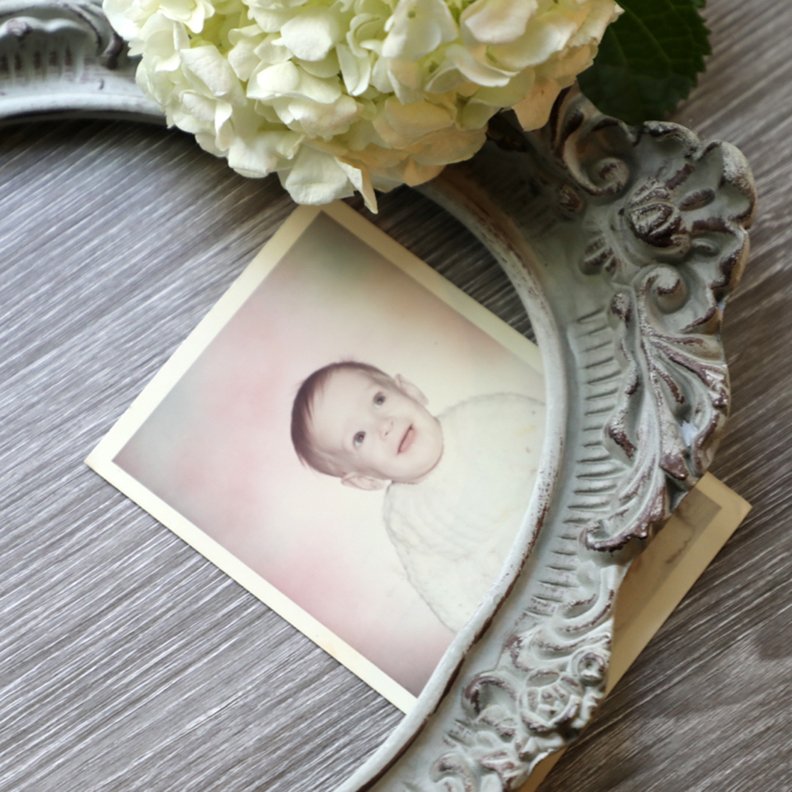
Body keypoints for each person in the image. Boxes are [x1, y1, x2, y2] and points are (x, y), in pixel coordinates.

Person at [290, 361, 545, 632]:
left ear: (410, 391)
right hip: (526, 597)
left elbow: (558, 436)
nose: (383, 425)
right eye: (359, 437)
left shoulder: (486, 417)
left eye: (378, 400)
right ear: (364, 479)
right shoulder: (402, 518)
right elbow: (440, 588)